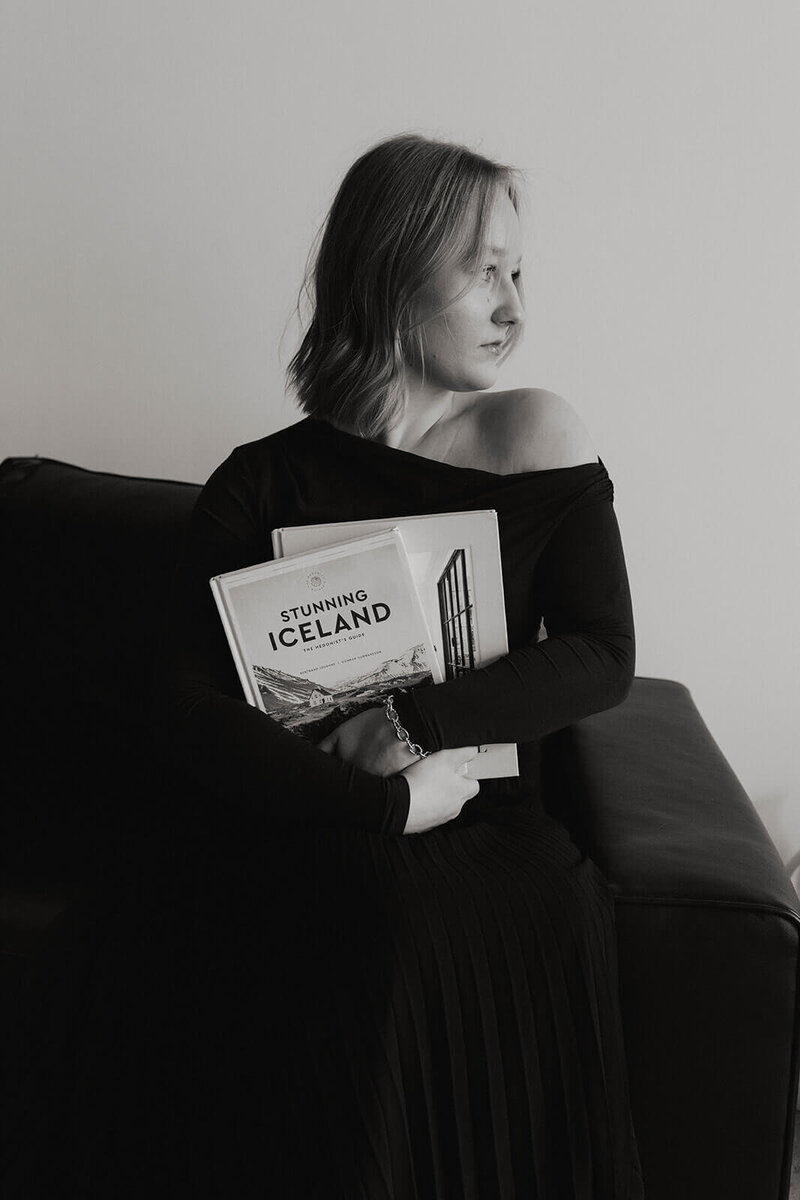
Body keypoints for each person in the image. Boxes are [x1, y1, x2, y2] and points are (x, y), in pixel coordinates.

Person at [2, 133, 645, 1199]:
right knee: (174, 925)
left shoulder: (537, 432)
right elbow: (183, 704)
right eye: (480, 269)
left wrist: (411, 727)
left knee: (399, 924)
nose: (512, 305)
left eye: (518, 271)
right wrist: (369, 803)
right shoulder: (260, 482)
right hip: (311, 809)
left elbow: (602, 656)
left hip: (474, 818)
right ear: (389, 269)